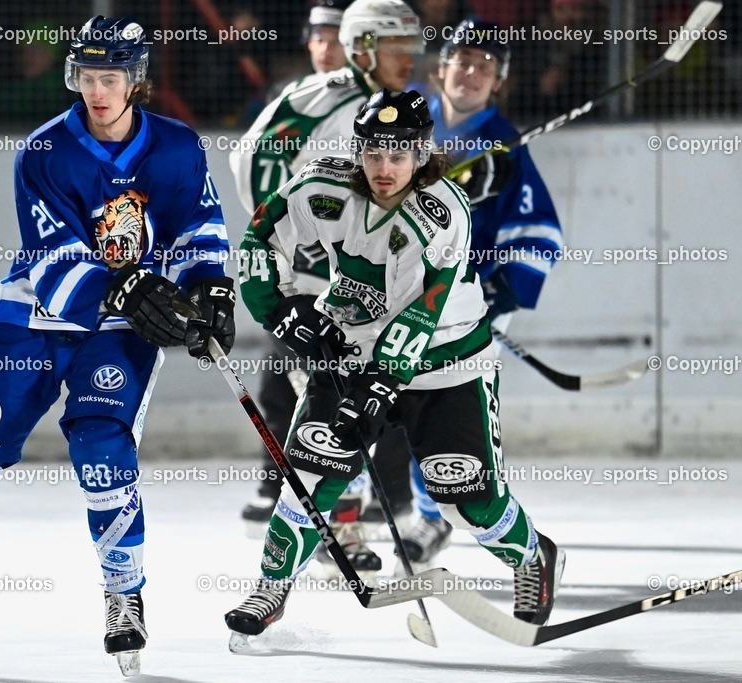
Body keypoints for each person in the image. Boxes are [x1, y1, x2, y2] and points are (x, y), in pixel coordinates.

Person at [0, 15, 233, 678]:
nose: (97, 89)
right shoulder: (44, 150)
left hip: (114, 333)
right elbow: (52, 254)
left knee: (102, 447)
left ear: (135, 79)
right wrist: (132, 288)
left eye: (110, 76)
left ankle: (124, 596)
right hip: (33, 320)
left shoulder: (176, 147)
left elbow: (200, 224)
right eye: (87, 75)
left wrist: (210, 290)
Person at [225, 88, 565, 644]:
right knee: (310, 477)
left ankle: (533, 555)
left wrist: (374, 393)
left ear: (422, 151)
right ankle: (271, 586)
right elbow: (259, 240)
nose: (385, 168)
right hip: (355, 348)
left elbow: (419, 316)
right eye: (374, 152)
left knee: (467, 503)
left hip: (448, 362)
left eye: (400, 154)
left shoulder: (440, 212)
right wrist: (282, 311)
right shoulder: (320, 185)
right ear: (358, 149)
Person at [231, 0, 428, 576]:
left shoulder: (389, 109)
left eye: (412, 50)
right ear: (365, 47)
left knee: (361, 401)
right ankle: (332, 530)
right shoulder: (325, 97)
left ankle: (343, 523)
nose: (409, 61)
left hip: (357, 286)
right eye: (399, 49)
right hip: (313, 286)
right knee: (321, 396)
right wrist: (296, 244)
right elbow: (255, 161)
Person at [400, 18, 564, 566]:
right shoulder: (405, 119)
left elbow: (542, 231)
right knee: (400, 402)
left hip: (471, 302)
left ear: (499, 81)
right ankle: (427, 514)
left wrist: (501, 289)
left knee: (453, 412)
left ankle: (453, 518)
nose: (471, 72)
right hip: (404, 294)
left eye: (485, 66)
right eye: (462, 60)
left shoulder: (507, 146)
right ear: (440, 66)